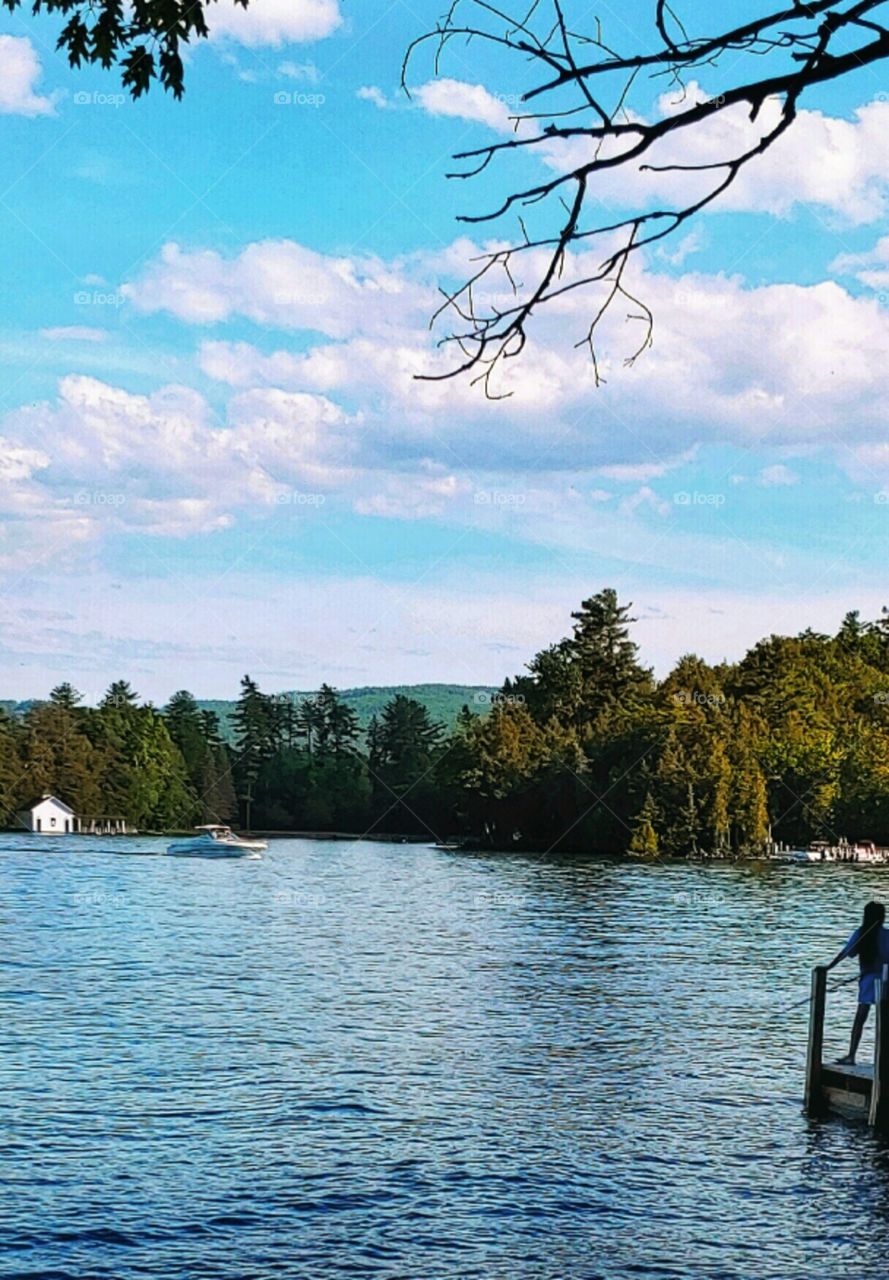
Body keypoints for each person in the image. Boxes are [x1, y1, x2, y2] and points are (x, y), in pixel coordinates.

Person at [827, 901, 889, 1066]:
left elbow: (846, 953)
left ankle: (852, 1055)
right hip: (885, 980)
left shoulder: (862, 933)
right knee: (884, 1020)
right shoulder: (884, 934)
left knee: (860, 1017)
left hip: (870, 980)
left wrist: (828, 968)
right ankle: (882, 1058)